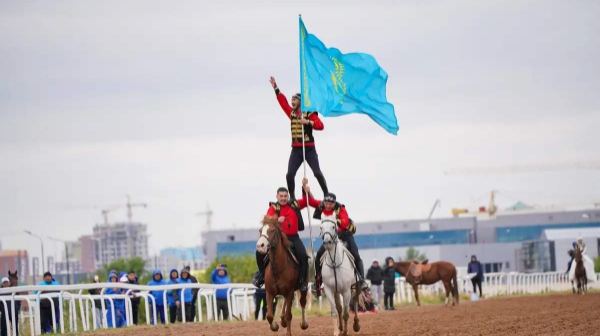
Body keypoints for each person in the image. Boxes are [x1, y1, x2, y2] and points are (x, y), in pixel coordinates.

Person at [303, 179, 368, 295]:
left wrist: (335, 221)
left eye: (330, 204)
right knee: (318, 256)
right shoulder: (322, 205)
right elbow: (311, 201)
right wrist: (306, 190)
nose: (327, 206)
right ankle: (317, 282)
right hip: (329, 238)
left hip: (344, 235)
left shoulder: (341, 208)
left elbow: (345, 221)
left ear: (334, 204)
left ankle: (361, 280)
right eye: (326, 203)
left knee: (355, 253)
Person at [269, 76, 328, 200]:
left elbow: (320, 126)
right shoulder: (291, 113)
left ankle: (326, 194)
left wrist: (307, 122)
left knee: (317, 173)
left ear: (300, 101)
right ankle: (292, 198)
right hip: (296, 150)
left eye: (294, 100)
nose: (292, 102)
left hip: (309, 149)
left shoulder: (309, 113)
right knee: (289, 175)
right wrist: (276, 89)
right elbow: (283, 103)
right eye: (292, 100)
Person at [253, 186, 310, 293]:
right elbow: (268, 219)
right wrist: (277, 219)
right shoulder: (274, 207)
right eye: (281, 196)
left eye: (285, 196)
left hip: (293, 237)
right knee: (259, 253)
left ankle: (302, 282)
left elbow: (307, 200)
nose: (283, 198)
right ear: (277, 196)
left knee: (303, 256)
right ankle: (261, 275)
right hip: (278, 238)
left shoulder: (294, 204)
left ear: (288, 196)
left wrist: (305, 190)